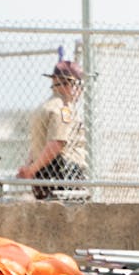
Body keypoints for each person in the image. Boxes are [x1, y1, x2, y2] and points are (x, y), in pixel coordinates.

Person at [17, 60, 87, 200]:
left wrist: (30, 167)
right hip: (64, 174)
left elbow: (38, 143)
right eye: (80, 85)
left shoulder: (44, 107)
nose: (81, 91)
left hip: (44, 175)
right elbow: (56, 143)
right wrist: (32, 170)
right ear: (70, 85)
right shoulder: (62, 109)